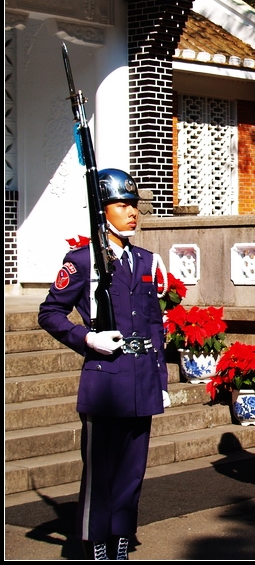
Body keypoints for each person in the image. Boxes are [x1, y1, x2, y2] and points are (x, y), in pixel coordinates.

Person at [38, 168, 170, 560]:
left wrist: (161, 376)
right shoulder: (82, 260)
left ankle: (121, 541)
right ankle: (95, 544)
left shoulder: (145, 260)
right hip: (106, 378)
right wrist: (87, 338)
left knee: (132, 472)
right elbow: (50, 313)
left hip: (141, 376)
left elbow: (153, 323)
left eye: (135, 206)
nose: (132, 213)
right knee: (101, 472)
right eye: (122, 205)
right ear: (102, 211)